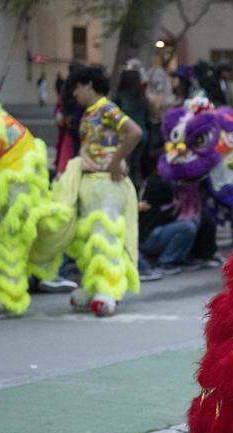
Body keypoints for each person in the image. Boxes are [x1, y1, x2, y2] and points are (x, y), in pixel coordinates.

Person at [57, 65, 144, 316]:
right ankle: (94, 286)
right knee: (91, 239)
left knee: (106, 237)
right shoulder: (89, 113)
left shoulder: (106, 108)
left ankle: (109, 290)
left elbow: (135, 132)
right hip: (92, 183)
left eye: (76, 87)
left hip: (107, 183)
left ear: (88, 85)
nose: (74, 94)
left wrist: (116, 161)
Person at [112, 69, 151, 188]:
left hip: (127, 136)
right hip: (143, 135)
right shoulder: (143, 98)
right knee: (136, 167)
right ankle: (137, 189)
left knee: (126, 166)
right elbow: (148, 117)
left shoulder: (119, 97)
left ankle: (127, 190)